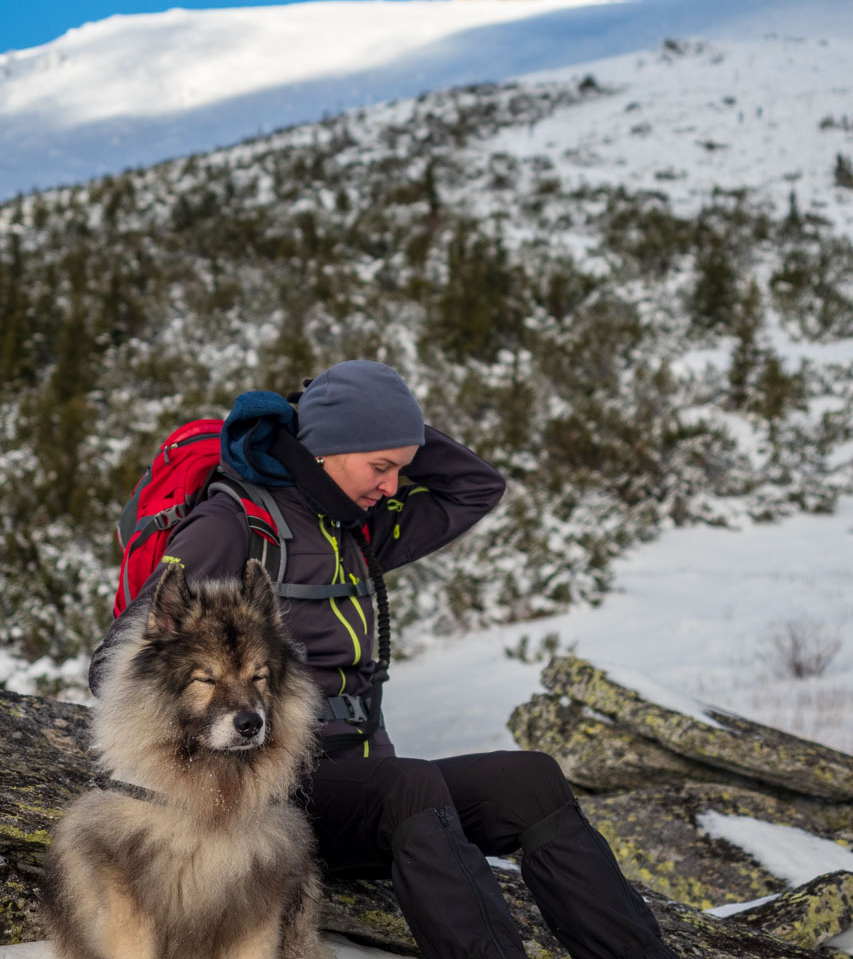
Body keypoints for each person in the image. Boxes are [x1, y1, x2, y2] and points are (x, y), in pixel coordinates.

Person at [91, 359, 679, 959]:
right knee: (410, 786)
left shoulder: (357, 526)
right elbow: (123, 658)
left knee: (529, 780)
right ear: (326, 448)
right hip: (273, 789)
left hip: (369, 776)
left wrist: (383, 430)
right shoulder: (235, 523)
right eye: (382, 466)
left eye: (402, 468)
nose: (394, 486)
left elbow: (476, 487)